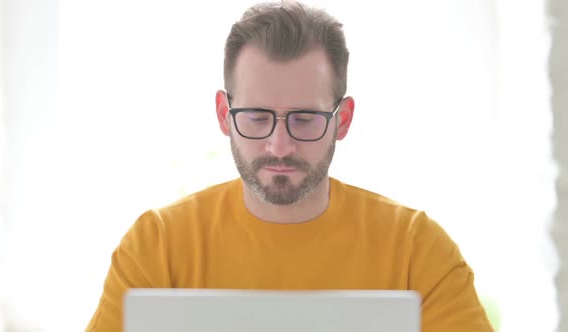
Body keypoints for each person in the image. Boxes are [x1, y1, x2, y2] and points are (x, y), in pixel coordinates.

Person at [86, 1, 494, 331]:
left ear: (343, 119)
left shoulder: (416, 249)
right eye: (257, 117)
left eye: (304, 119)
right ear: (223, 115)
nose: (279, 145)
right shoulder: (156, 247)